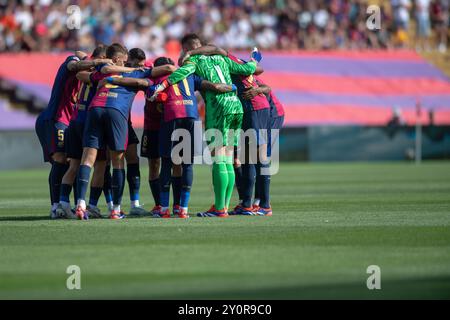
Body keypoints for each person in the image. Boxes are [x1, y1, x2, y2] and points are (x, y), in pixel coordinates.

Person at [103, 56, 237, 218]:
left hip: (172, 116)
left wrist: (113, 80)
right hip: (192, 116)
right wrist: (226, 87)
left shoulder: (158, 77)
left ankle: (164, 208)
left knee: (166, 161)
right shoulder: (189, 75)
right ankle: (183, 209)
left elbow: (140, 83)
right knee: (187, 164)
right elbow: (209, 85)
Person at [149, 33, 261, 217]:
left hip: (219, 107)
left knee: (219, 157)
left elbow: (181, 73)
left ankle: (219, 209)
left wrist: (161, 86)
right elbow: (248, 68)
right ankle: (223, 206)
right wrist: (254, 60)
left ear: (187, 49)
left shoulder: (193, 60)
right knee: (228, 157)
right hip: (236, 105)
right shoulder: (223, 58)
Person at [73, 43, 175, 220]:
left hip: (95, 108)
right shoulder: (138, 71)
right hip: (116, 111)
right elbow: (167, 68)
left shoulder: (107, 70)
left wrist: (109, 74)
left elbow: (81, 74)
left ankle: (81, 205)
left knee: (88, 158)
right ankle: (116, 210)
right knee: (118, 160)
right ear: (121, 59)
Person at [35, 50, 111, 218]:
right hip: (55, 118)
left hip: (70, 121)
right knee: (60, 160)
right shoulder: (73, 63)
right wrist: (97, 62)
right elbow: (75, 61)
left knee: (72, 162)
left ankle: (72, 205)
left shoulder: (91, 76)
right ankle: (56, 207)